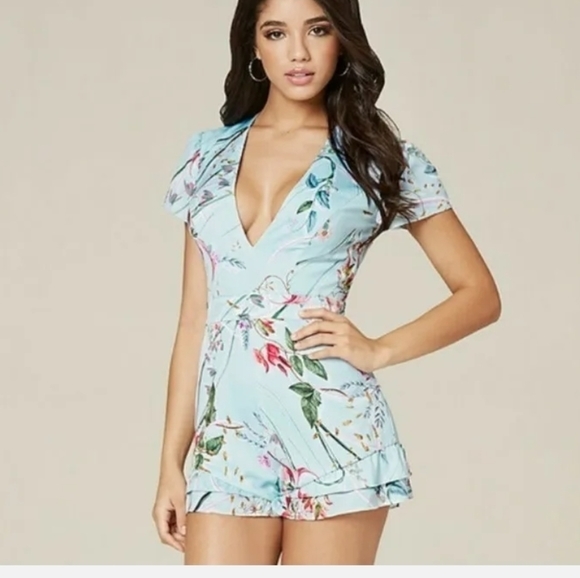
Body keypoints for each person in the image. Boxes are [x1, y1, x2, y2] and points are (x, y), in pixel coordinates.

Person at [152, 0, 501, 566]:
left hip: (333, 432)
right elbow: (195, 320)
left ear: (342, 41)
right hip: (227, 440)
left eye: (317, 30)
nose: (298, 52)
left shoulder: (375, 157)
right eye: (276, 33)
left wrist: (379, 349)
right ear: (253, 46)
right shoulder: (205, 157)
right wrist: (171, 461)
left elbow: (479, 294)